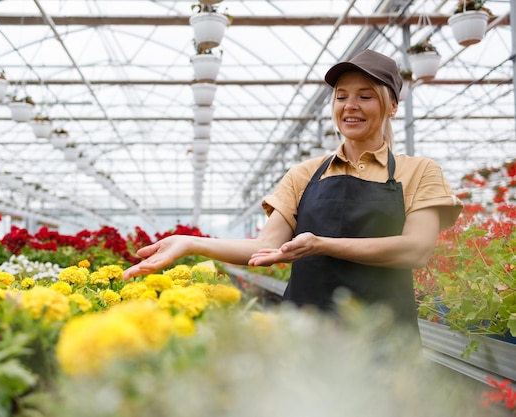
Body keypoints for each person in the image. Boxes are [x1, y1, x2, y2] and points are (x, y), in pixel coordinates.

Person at [124, 49, 463, 329]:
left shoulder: (419, 171)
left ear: (391, 107)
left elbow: (415, 250)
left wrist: (320, 245)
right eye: (341, 96)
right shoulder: (304, 174)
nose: (350, 106)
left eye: (365, 96)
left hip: (383, 337)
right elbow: (266, 247)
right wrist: (191, 243)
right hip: (304, 335)